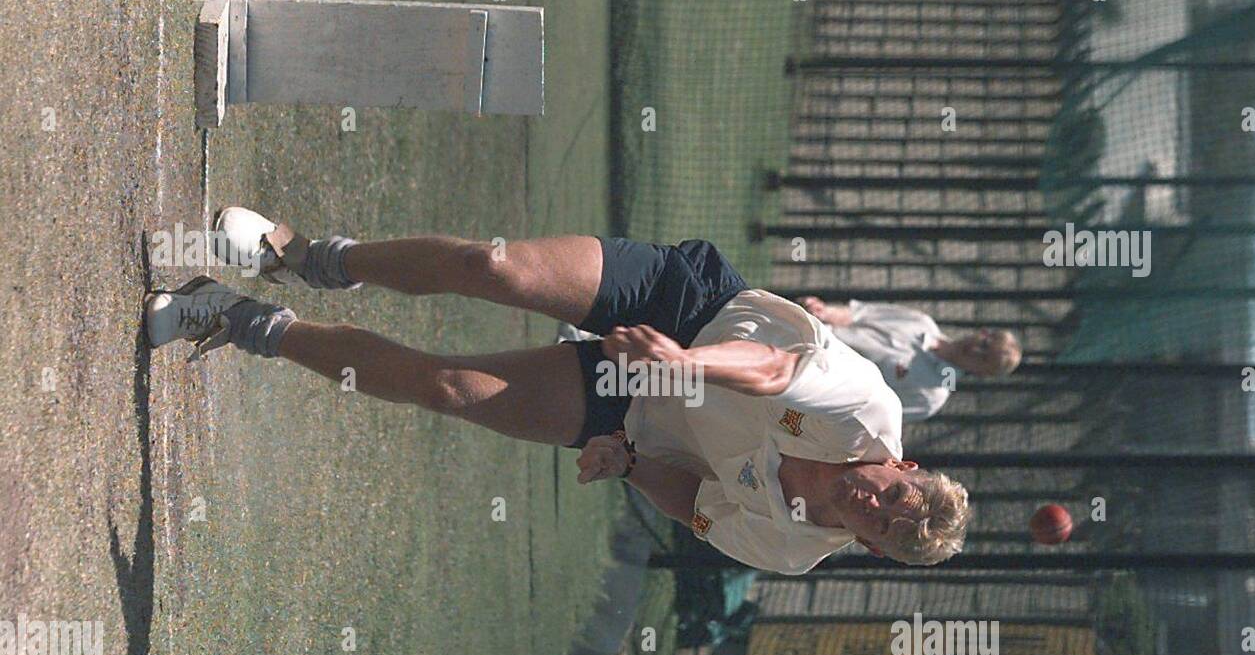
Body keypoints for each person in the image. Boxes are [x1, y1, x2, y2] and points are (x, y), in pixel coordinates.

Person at [146, 208, 970, 571]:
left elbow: (695, 504)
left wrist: (628, 466)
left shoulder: (792, 550)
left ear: (869, 546)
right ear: (904, 469)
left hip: (640, 409)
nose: (876, 506)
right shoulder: (873, 413)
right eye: (895, 497)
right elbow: (776, 371)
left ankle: (239, 318)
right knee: (493, 267)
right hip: (696, 310)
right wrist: (685, 360)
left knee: (451, 390)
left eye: (884, 529)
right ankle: (307, 256)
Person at [796, 296, 1021, 421]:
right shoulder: (922, 322)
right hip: (803, 332)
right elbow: (859, 313)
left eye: (984, 358)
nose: (976, 350)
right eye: (984, 344)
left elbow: (863, 413)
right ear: (982, 332)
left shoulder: (930, 399)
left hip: (805, 382)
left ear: (982, 374)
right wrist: (824, 311)